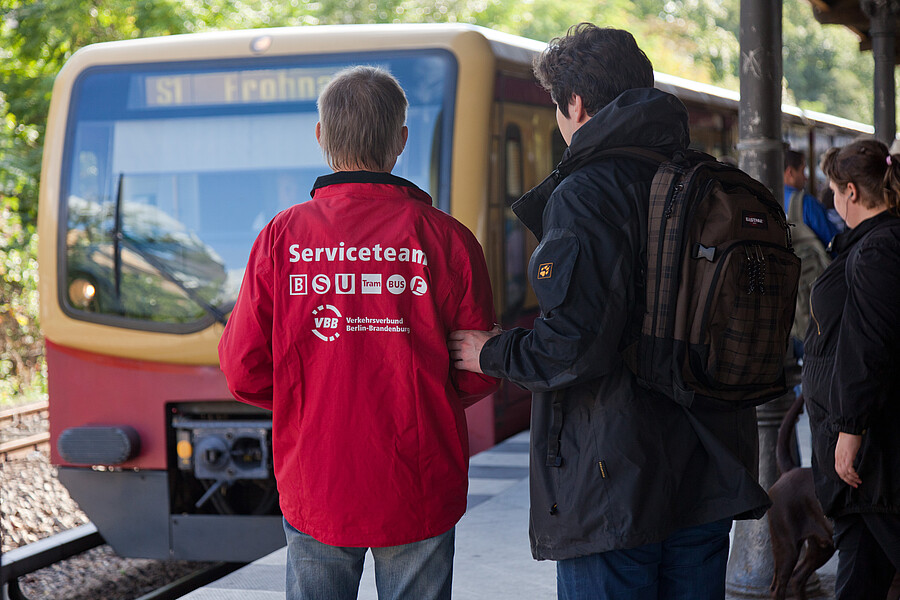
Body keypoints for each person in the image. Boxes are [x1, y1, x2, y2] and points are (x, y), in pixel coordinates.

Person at [449, 23, 770, 600]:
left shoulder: (588, 190)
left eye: (557, 105)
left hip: (614, 475)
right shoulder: (703, 177)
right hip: (707, 462)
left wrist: (489, 351)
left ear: (575, 103)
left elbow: (574, 343)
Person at [218, 66, 499, 600]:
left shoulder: (281, 237)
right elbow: (481, 370)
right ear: (401, 141)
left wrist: (308, 402)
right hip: (419, 473)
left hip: (316, 473)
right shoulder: (449, 241)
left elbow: (242, 370)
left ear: (321, 136)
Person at [804, 138, 900, 600]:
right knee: (860, 572)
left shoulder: (877, 250)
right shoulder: (875, 244)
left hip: (874, 454)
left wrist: (849, 430)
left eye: (833, 190)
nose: (833, 200)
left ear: (851, 192)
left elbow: (869, 346)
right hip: (870, 455)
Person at [784, 148, 839, 248]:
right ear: (790, 172)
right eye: (802, 170)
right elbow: (833, 242)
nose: (805, 177)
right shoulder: (806, 203)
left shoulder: (765, 200)